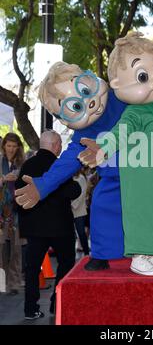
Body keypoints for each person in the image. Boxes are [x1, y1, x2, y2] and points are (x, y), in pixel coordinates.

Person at [80, 32, 153, 275]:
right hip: (146, 182)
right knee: (146, 213)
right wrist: (103, 148)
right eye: (143, 76)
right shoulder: (135, 113)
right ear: (119, 86)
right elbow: (119, 133)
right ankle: (141, 256)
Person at [15, 62, 127, 271]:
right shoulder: (83, 136)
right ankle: (102, 254)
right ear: (63, 120)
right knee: (101, 206)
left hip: (147, 173)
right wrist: (42, 186)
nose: (90, 103)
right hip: (114, 179)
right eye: (76, 107)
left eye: (86, 90)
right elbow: (65, 164)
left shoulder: (124, 96)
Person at [16, 130, 81, 320]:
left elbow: (20, 196)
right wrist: (75, 184)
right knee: (66, 264)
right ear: (54, 145)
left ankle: (30, 309)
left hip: (34, 228)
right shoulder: (58, 165)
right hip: (60, 227)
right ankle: (57, 303)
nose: (61, 148)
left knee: (32, 268)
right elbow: (72, 191)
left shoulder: (27, 165)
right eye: (60, 145)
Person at [0, 133, 25, 295]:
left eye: (14, 146)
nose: (11, 149)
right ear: (4, 147)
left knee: (16, 250)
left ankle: (14, 282)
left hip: (16, 212)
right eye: (8, 145)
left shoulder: (22, 164)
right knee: (1, 249)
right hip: (1, 213)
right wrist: (2, 180)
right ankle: (2, 282)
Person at [72, 168, 90, 256]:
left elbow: (82, 194)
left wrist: (72, 204)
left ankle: (86, 253)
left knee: (81, 233)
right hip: (70, 211)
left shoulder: (81, 178)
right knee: (71, 234)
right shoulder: (69, 178)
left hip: (79, 211)